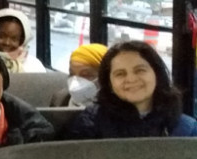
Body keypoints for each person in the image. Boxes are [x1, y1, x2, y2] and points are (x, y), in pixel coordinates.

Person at [68, 40, 197, 138]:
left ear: (157, 74)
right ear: (109, 83)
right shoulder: (89, 124)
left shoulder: (186, 128)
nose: (131, 79)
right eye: (120, 74)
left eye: (140, 70)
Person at [0, 8, 46, 73]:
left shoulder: (34, 66)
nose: (7, 42)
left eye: (14, 39)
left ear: (22, 41)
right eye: (1, 36)